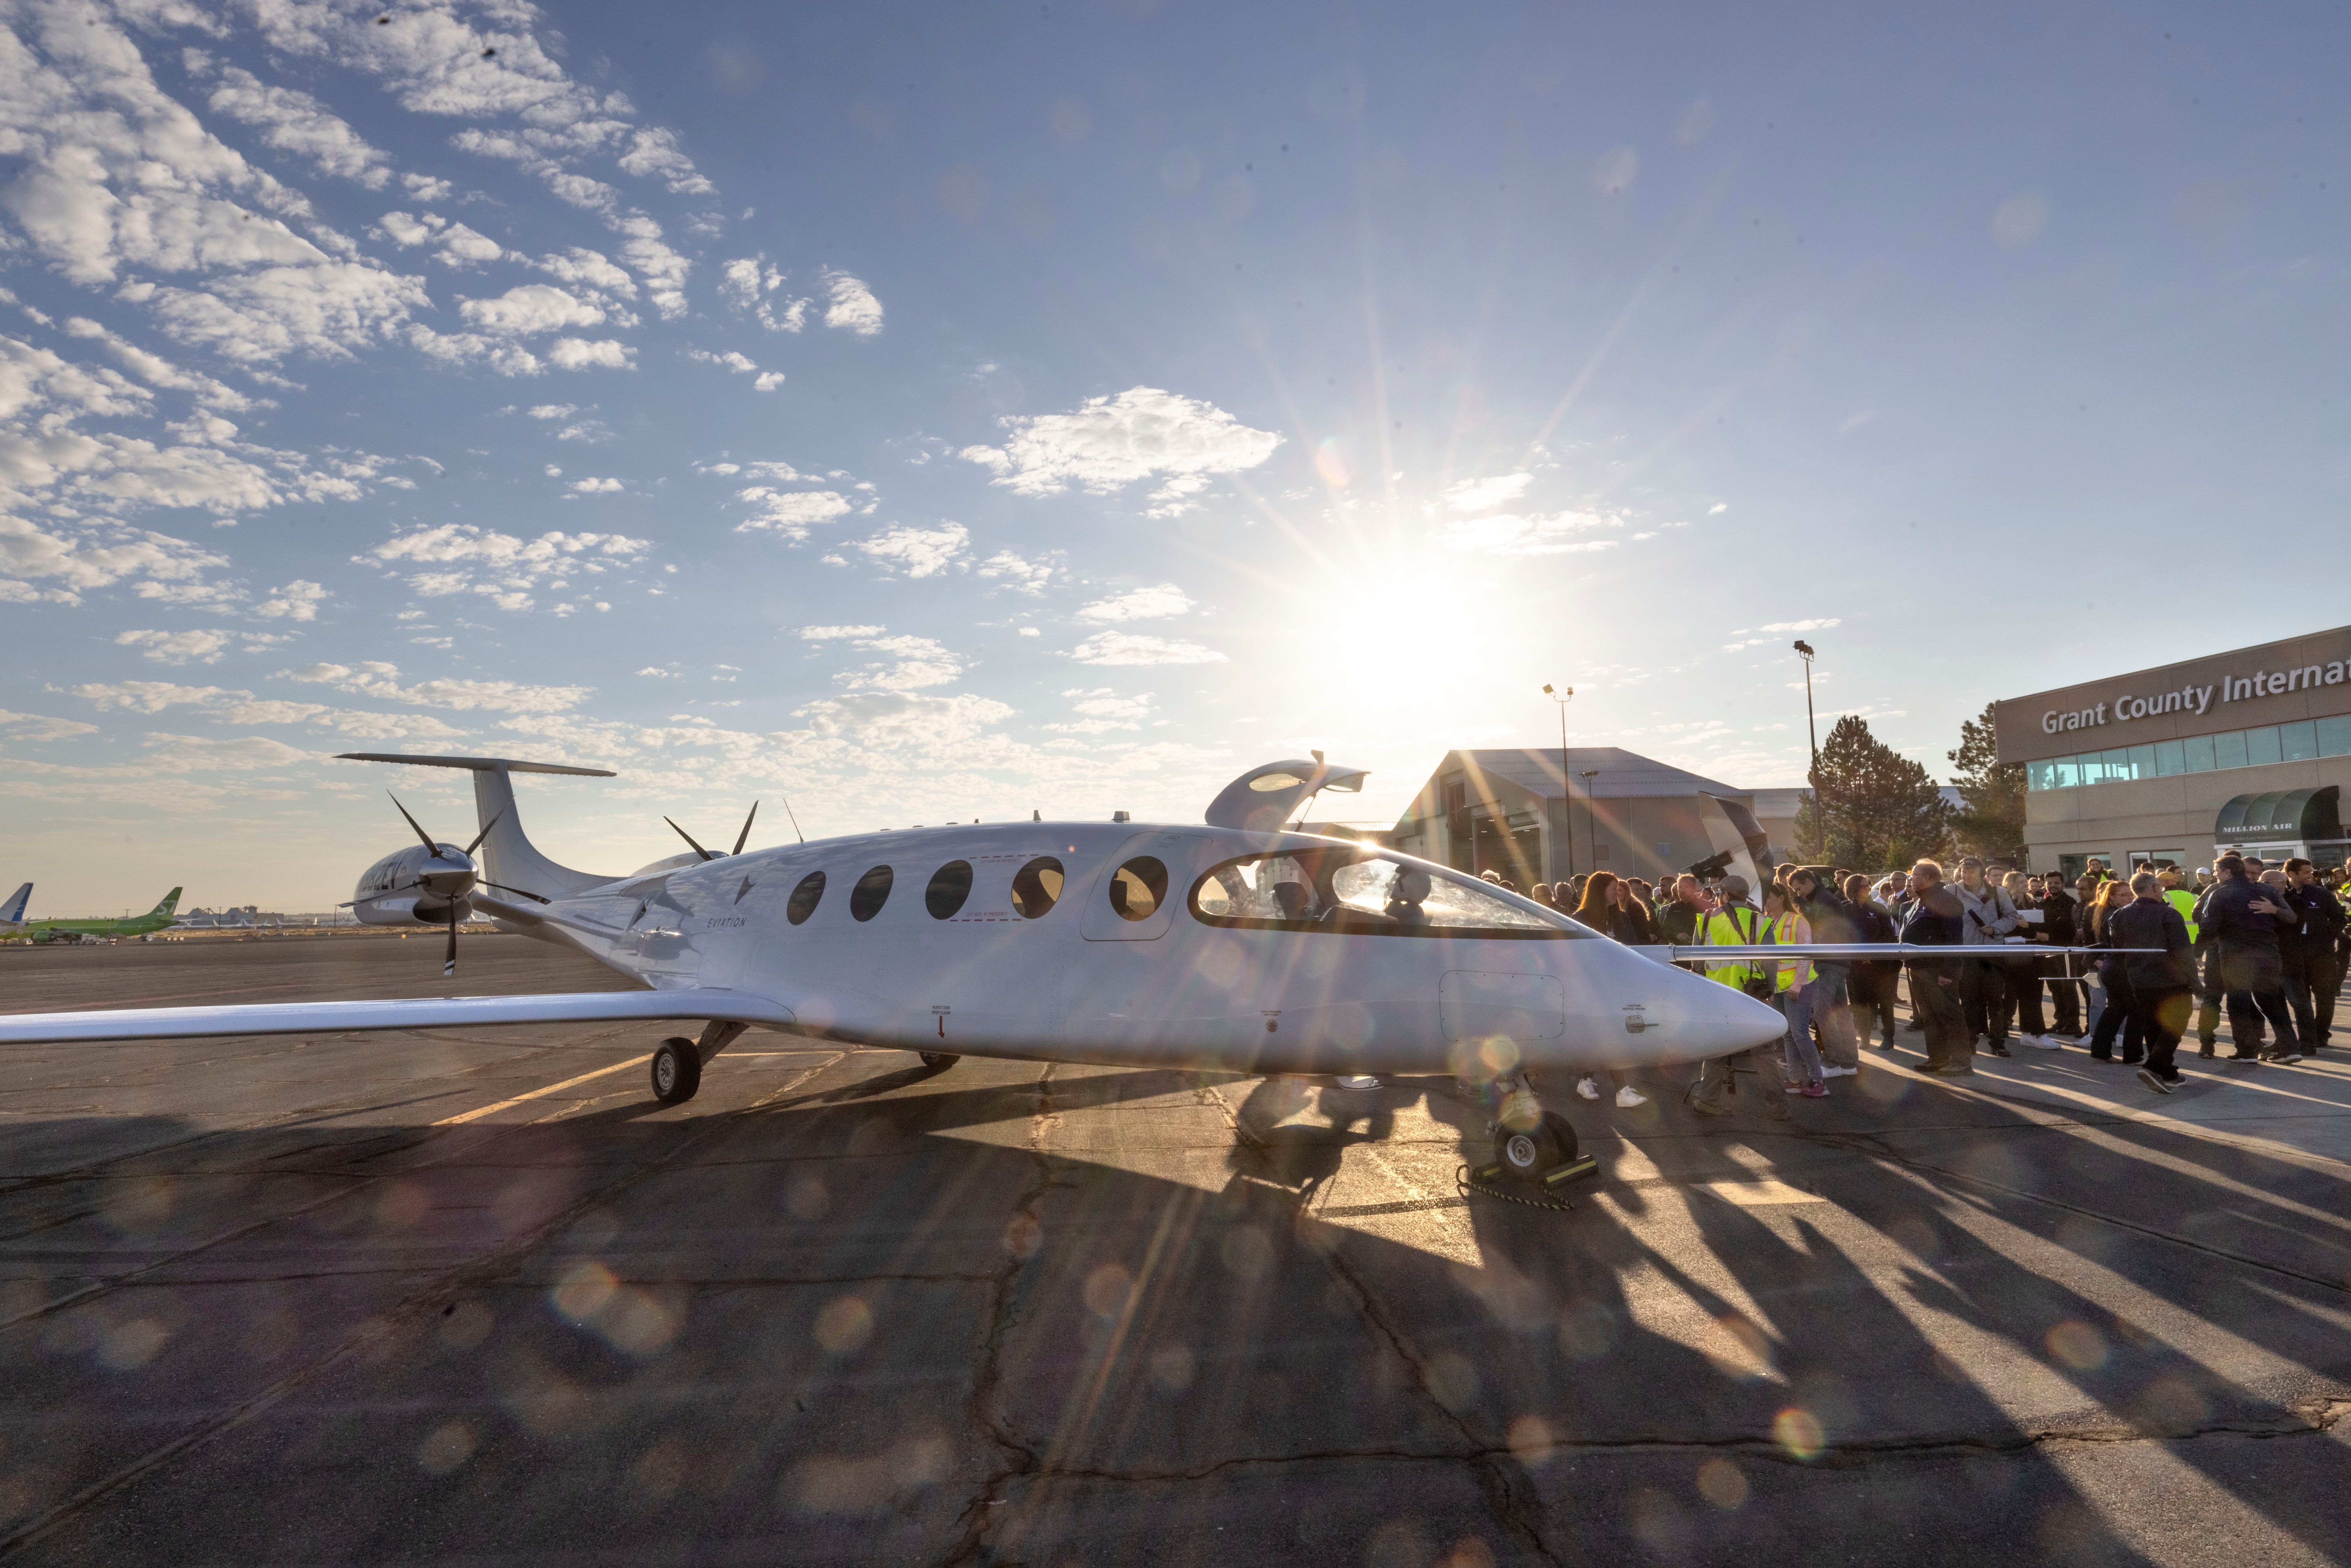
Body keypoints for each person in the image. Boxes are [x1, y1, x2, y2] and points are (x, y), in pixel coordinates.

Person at [1687, 876, 1789, 1117]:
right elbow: (1771, 962)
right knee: (1764, 1052)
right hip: (1751, 997)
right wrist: (1768, 992)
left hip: (1716, 996)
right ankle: (1778, 1108)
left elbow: (1696, 963)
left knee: (1717, 1050)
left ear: (1725, 895)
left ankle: (1707, 1099)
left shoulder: (1706, 920)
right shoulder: (1760, 921)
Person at [2199, 853, 2303, 1064]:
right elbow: (2292, 917)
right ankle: (2291, 1049)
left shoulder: (2219, 893)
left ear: (2227, 872)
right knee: (2269, 1000)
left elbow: (2207, 928)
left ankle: (2246, 1052)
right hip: (2268, 953)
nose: (2216, 875)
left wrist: (2195, 954)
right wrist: (2274, 910)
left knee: (2238, 1003)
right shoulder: (2268, 891)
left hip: (2236, 956)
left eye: (2217, 872)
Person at [2108, 872, 2195, 1092]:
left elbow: (2119, 950)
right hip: (2171, 980)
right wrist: (2196, 982)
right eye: (2161, 887)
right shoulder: (2169, 914)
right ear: (2155, 888)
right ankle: (2154, 1068)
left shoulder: (2118, 916)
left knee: (2154, 1025)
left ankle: (2168, 1073)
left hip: (2139, 980)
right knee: (2176, 1023)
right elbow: (2183, 952)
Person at [1570, 873, 1650, 1108]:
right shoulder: (1580, 919)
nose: (1618, 893)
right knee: (1612, 1035)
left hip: (1618, 985)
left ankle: (1586, 1080)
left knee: (1604, 1036)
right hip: (1592, 987)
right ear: (1599, 891)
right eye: (1613, 889)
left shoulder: (1621, 917)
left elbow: (1633, 948)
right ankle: (1621, 1091)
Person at [1786, 867, 1861, 1076]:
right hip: (1836, 962)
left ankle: (1833, 1062)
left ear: (1808, 882)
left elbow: (1819, 931)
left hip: (1827, 962)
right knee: (1840, 1013)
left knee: (1825, 1014)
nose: (1799, 893)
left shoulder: (1823, 901)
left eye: (1799, 889)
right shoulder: (1825, 898)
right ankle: (1849, 1063)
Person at [1900, 860, 1971, 1074]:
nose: (1911, 879)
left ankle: (1961, 1062)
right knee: (1930, 1016)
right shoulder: (1921, 900)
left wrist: (1948, 972)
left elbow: (1954, 940)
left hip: (1938, 969)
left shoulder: (1945, 901)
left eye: (1915, 875)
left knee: (1949, 1015)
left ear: (1928, 878)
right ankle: (1938, 1058)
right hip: (1919, 968)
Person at [1763, 883, 1829, 1097]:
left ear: (1781, 898)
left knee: (1799, 1034)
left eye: (1769, 897)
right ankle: (1794, 1079)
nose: (1765, 902)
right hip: (1780, 987)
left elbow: (1805, 955)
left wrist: (1797, 984)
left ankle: (1818, 1080)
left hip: (1799, 986)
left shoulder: (1797, 921)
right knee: (1789, 1034)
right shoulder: (1770, 922)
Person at [1952, 856, 2020, 1057]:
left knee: (1996, 1001)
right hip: (1967, 953)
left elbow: (2012, 917)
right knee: (1968, 1001)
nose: (1967, 875)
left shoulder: (1999, 892)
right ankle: (1970, 1041)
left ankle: (1998, 1042)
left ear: (1981, 873)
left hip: (1993, 953)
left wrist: (1996, 928)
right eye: (1964, 871)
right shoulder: (1953, 891)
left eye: (1971, 872)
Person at [2281, 858, 2342, 1053]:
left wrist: (2327, 936)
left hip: (2322, 955)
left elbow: (2339, 919)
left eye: (2311, 872)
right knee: (2302, 999)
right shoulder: (2282, 895)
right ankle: (2307, 1037)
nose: (2311, 875)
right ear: (2292, 874)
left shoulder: (2321, 894)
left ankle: (2321, 1034)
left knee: (2326, 996)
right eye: (2306, 872)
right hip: (2295, 955)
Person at [2085, 879, 2143, 1063]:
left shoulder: (2107, 913)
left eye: (2130, 894)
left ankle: (2100, 1051)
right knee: (2135, 1010)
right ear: (2112, 898)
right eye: (2123, 895)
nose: (2129, 898)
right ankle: (2132, 1055)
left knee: (2116, 1010)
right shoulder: (2117, 915)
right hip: (2122, 968)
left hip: (2114, 967)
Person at [1842, 873, 1902, 1048]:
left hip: (1879, 965)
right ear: (1853, 888)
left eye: (1869, 885)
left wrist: (1871, 953)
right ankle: (1865, 1037)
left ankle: (1888, 1037)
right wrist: (1859, 954)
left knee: (1885, 1001)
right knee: (1859, 1003)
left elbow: (1889, 935)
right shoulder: (1846, 909)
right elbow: (1843, 935)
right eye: (1864, 886)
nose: (1868, 888)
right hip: (1855, 966)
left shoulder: (1878, 908)